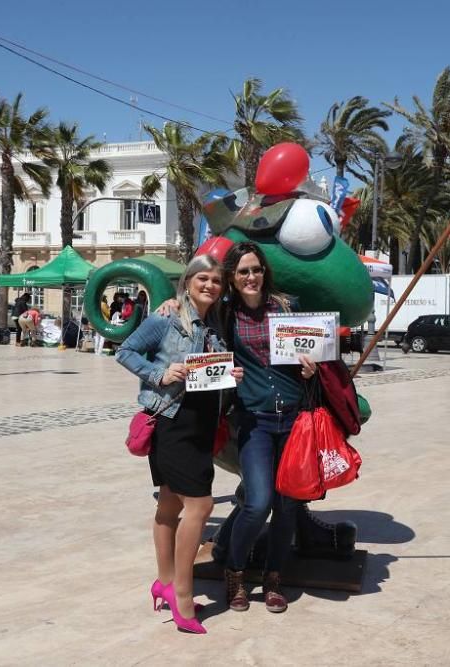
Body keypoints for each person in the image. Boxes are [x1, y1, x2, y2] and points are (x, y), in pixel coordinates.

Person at [160, 243, 317, 614]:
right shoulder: (224, 314)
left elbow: (314, 348)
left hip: (293, 417)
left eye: (256, 270)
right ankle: (235, 569)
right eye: (243, 271)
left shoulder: (284, 308)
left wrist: (312, 368)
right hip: (254, 419)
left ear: (265, 272)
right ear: (233, 277)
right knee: (258, 500)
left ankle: (274, 577)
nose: (251, 277)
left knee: (287, 504)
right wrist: (170, 304)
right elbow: (191, 309)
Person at [115, 255, 242, 635]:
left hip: (203, 423)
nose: (210, 285)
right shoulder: (166, 318)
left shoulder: (219, 320)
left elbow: (214, 369)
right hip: (172, 421)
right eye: (202, 278)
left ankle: (164, 581)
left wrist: (230, 374)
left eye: (216, 280)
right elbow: (125, 351)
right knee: (200, 506)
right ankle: (182, 595)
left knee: (170, 504)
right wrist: (160, 372)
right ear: (187, 282)